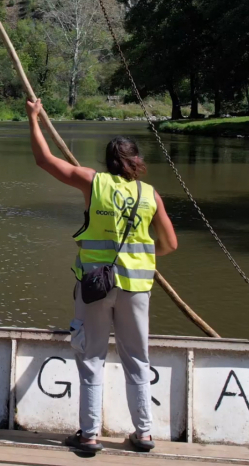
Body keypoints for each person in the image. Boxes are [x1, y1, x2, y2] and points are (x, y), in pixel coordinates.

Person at [25, 99, 178, 453]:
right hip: (136, 288)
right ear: (136, 161)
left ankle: (89, 435)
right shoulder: (149, 194)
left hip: (95, 286)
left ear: (107, 161)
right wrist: (141, 254)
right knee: (137, 359)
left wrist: (34, 118)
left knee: (92, 357)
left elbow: (44, 160)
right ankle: (143, 434)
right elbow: (169, 244)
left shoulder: (93, 183)